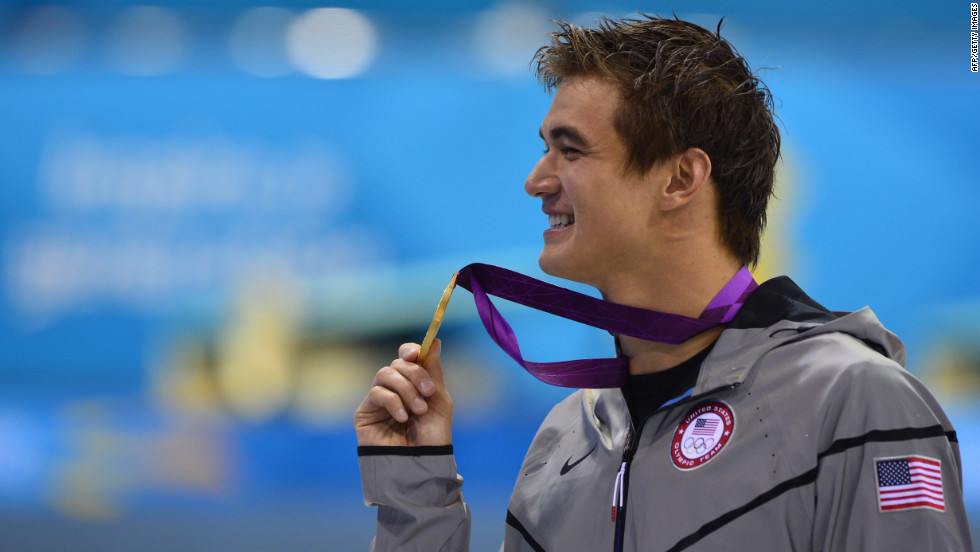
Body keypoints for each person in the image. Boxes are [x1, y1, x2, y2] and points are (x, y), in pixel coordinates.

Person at [353, 15, 973, 551]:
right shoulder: (567, 437)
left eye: (569, 150)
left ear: (680, 179)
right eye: (545, 148)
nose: (537, 181)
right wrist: (416, 481)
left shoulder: (859, 402)